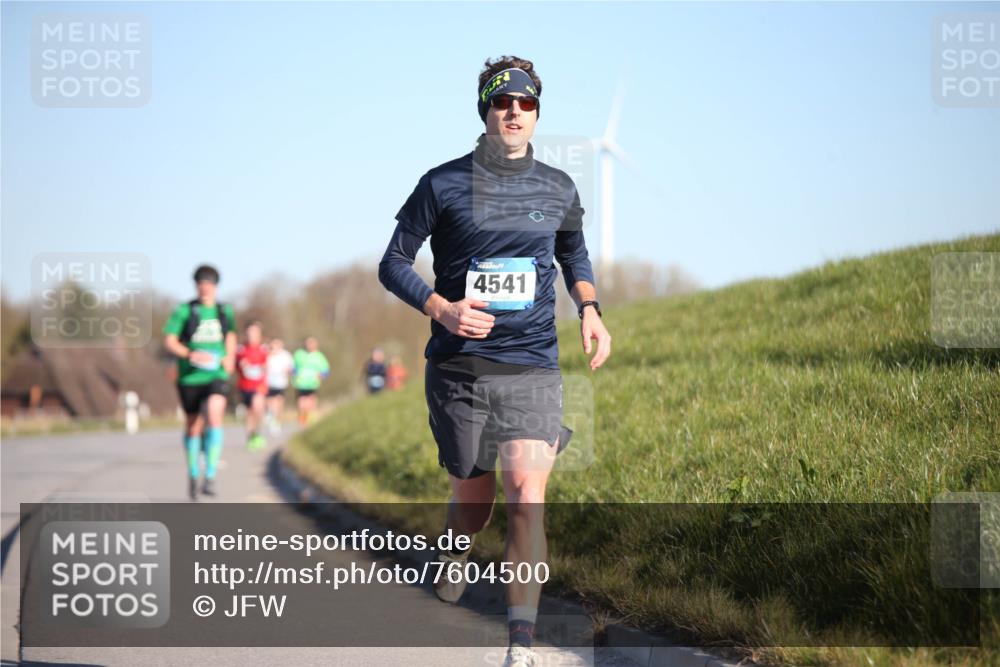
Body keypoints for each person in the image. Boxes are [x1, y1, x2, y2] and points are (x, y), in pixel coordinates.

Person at [378, 56, 612, 667]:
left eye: (526, 104)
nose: (514, 112)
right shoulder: (443, 183)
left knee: (525, 492)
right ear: (485, 110)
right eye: (502, 102)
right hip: (460, 367)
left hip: (532, 362)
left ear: (536, 114)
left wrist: (589, 309)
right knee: (474, 505)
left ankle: (520, 644)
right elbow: (393, 262)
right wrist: (440, 308)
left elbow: (575, 257)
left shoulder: (559, 187)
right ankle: (456, 547)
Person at [163, 264, 237, 501]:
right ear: (196, 286)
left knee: (215, 414)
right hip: (190, 376)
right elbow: (170, 340)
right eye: (201, 283)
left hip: (216, 374)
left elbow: (231, 335)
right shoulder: (185, 311)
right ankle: (194, 473)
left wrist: (230, 358)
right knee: (193, 426)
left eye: (209, 283)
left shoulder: (224, 311)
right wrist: (189, 354)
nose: (205, 287)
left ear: (215, 286)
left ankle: (211, 474)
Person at [235, 321, 268, 451]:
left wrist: (262, 367)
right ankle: (251, 436)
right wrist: (241, 365)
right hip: (245, 386)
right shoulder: (241, 350)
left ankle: (257, 433)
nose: (252, 335)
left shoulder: (264, 349)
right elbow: (234, 367)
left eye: (255, 332)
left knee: (258, 407)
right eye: (249, 332)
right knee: (249, 412)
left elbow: (267, 365)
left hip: (259, 385)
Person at [292, 336, 330, 425]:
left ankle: (310, 416)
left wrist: (321, 376)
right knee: (301, 402)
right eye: (309, 343)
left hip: (313, 383)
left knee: (311, 401)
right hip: (301, 383)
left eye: (312, 343)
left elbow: (326, 370)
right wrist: (294, 374)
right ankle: (302, 417)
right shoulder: (299, 354)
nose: (310, 345)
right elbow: (293, 367)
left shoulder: (319, 356)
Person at [264, 337, 294, 435]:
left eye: (278, 344)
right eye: (273, 345)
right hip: (268, 382)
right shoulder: (266, 354)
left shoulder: (286, 355)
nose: (275, 347)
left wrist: (289, 372)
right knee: (269, 402)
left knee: (279, 402)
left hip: (280, 382)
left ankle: (276, 422)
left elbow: (291, 368)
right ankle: (270, 413)